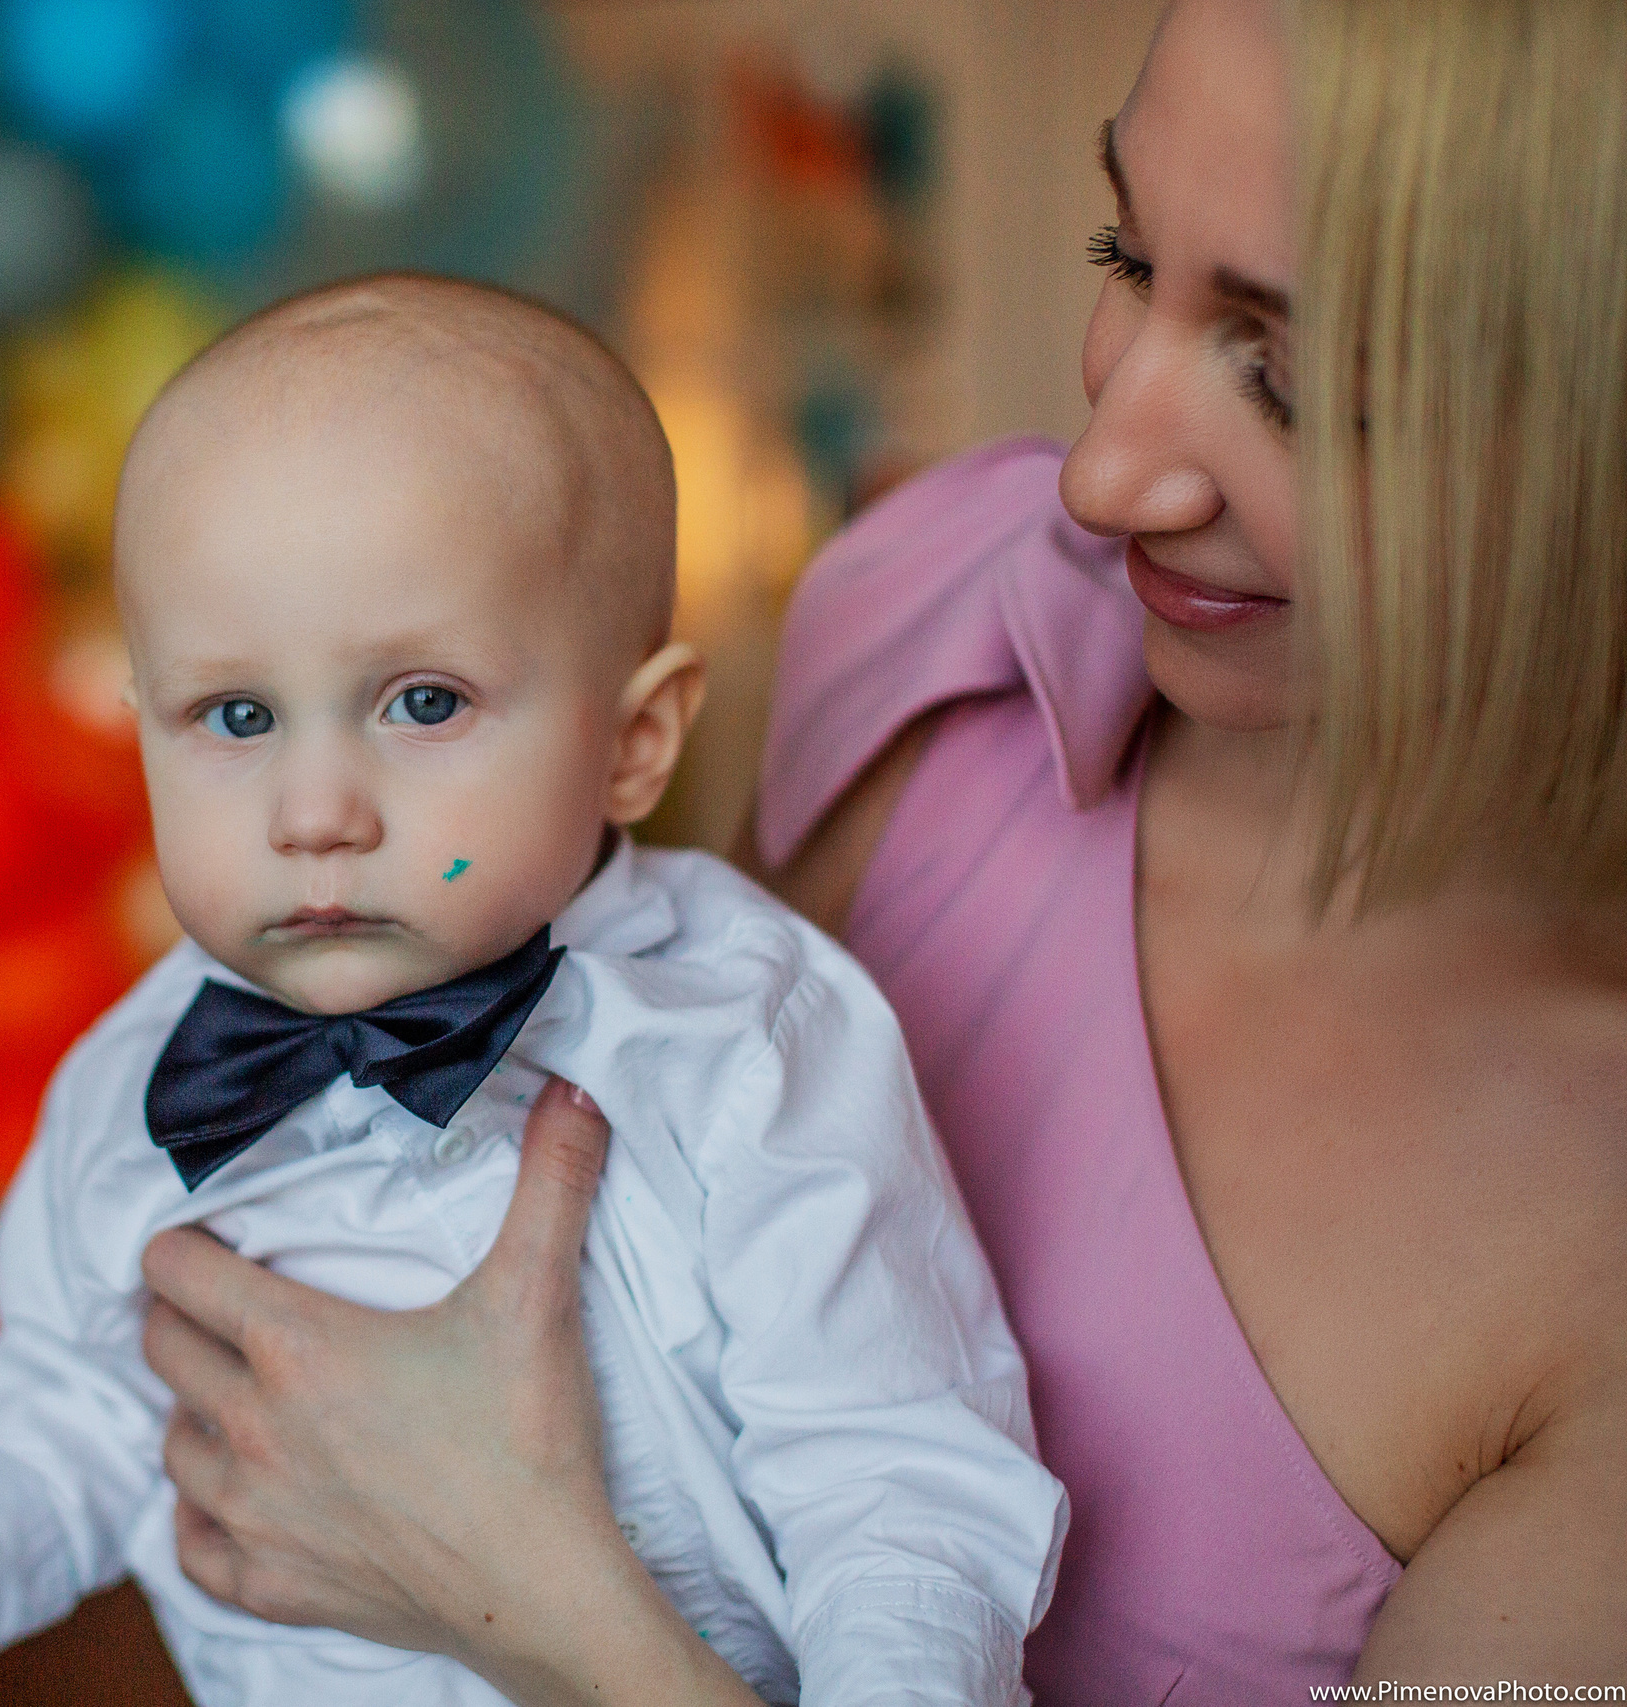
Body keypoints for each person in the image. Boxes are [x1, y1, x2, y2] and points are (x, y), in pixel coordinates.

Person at [131, 0, 1627, 1701]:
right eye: (1123, 255)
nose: (1104, 476)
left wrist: (535, 1604)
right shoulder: (953, 602)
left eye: (1294, 385)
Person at [0, 275, 1071, 1706]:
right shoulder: (135, 1084)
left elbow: (896, 1489)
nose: (314, 809)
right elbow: (71, 1421)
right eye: (237, 716)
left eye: (422, 702)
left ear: (635, 741)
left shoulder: (744, 1045)